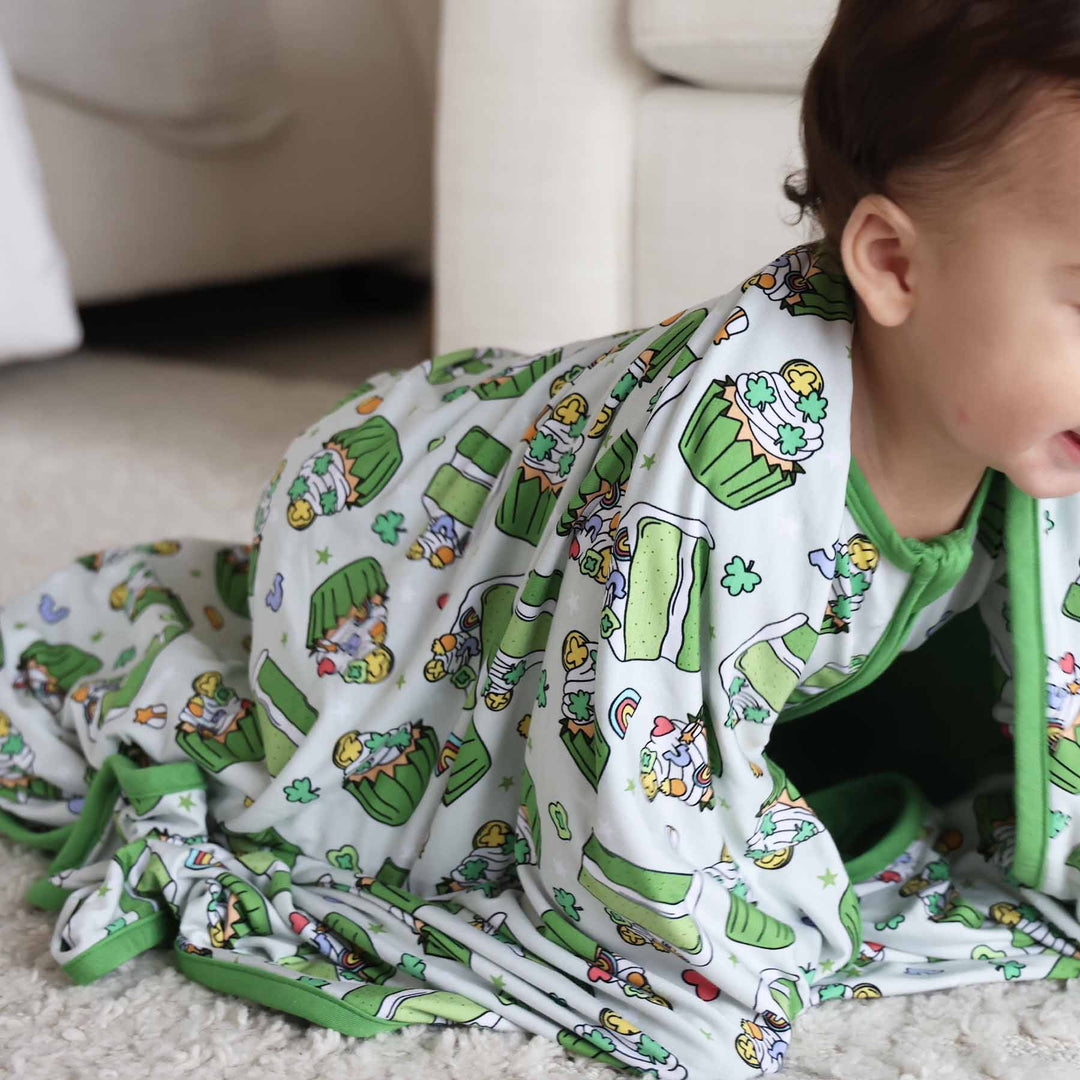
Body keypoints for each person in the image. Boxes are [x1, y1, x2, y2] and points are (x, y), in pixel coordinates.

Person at [5, 2, 1080, 1076]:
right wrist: (708, 946)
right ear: (893, 265)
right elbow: (624, 751)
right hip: (408, 554)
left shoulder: (1030, 427)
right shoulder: (726, 460)